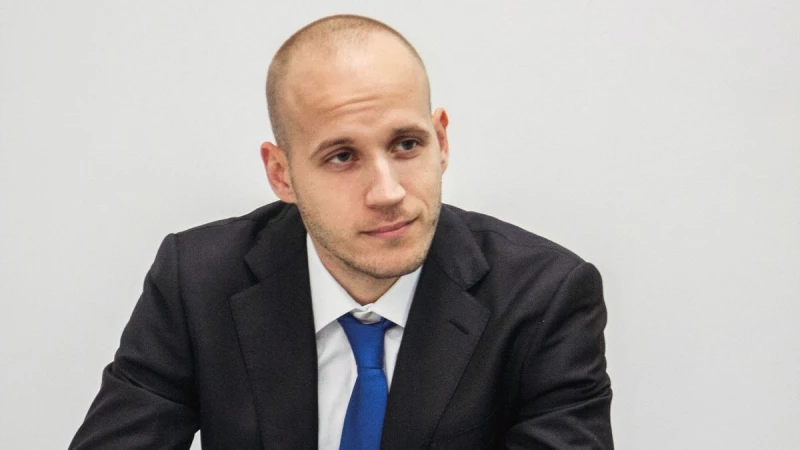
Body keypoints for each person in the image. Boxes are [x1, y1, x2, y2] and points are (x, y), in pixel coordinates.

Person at [70, 14, 613, 450]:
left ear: (442, 142)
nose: (388, 192)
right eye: (342, 156)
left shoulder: (545, 297)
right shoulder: (197, 280)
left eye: (407, 144)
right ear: (281, 174)